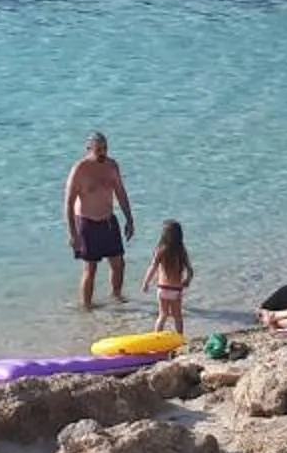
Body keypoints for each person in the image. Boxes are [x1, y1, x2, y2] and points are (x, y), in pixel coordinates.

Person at [64, 133, 135, 309]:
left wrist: (129, 218)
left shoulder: (112, 166)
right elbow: (69, 202)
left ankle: (116, 297)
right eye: (98, 150)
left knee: (118, 263)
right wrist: (72, 233)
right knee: (90, 268)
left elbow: (120, 192)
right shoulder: (80, 169)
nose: (103, 153)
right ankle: (86, 306)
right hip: (87, 222)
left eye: (105, 148)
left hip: (108, 220)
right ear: (88, 149)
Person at [139, 221, 194, 334]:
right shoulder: (181, 251)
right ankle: (179, 338)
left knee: (162, 315)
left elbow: (153, 267)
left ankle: (156, 337)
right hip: (176, 290)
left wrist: (146, 282)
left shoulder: (160, 250)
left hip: (162, 288)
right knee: (177, 316)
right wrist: (187, 280)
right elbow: (189, 269)